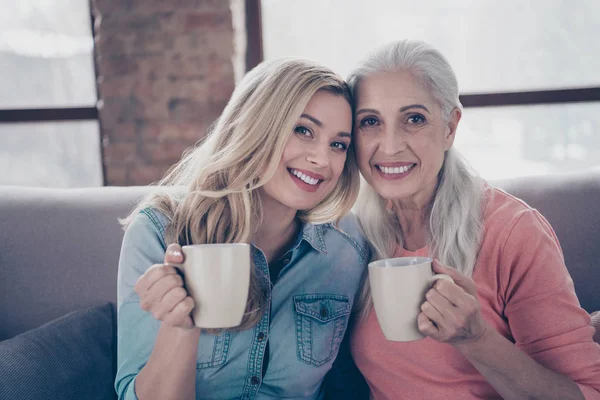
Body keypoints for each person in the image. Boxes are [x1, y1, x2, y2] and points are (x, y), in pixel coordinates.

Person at [345, 40, 600, 399]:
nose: (389, 146)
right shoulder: (353, 237)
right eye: (370, 122)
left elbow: (587, 392)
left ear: (450, 127)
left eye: (414, 119)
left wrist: (476, 339)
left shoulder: (513, 232)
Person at [115, 57, 369, 400]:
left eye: (338, 144)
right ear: (257, 126)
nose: (322, 160)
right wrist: (180, 328)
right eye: (303, 130)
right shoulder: (160, 232)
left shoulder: (345, 245)